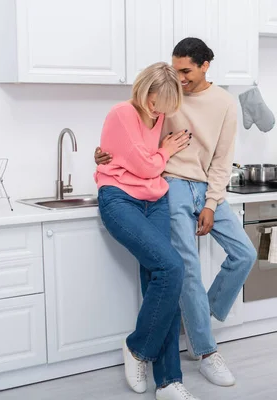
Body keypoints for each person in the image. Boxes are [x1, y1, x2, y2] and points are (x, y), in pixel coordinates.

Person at [95, 38, 257, 387]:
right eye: (175, 69)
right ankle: (206, 351)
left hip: (206, 188)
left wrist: (212, 203)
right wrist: (106, 152)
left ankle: (201, 309)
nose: (179, 77)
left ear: (205, 66)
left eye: (185, 71)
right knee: (186, 270)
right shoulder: (168, 99)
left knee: (245, 253)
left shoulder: (225, 104)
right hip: (171, 184)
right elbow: (138, 135)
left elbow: (222, 159)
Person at [95, 62, 200, 400]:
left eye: (165, 106)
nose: (159, 111)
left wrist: (155, 157)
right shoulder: (122, 113)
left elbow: (147, 165)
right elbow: (145, 165)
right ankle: (138, 349)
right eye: (157, 102)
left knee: (162, 279)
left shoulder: (156, 118)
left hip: (155, 200)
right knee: (172, 268)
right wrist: (164, 152)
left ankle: (169, 382)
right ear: (145, 89)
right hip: (120, 199)